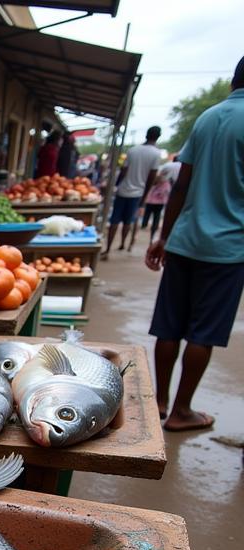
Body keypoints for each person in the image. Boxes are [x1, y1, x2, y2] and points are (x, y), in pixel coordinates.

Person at [145, 58, 244, 432]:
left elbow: (180, 186)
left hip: (185, 241)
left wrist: (164, 236)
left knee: (169, 326)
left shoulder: (207, 118)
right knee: (203, 333)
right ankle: (182, 410)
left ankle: (159, 401)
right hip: (228, 248)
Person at [103, 125, 162, 259]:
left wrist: (117, 186)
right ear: (157, 137)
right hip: (137, 193)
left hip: (123, 190)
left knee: (114, 221)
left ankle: (108, 248)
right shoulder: (156, 154)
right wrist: (144, 197)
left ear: (146, 134)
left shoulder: (133, 150)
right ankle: (123, 243)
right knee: (128, 221)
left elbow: (123, 171)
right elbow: (151, 177)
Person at [131, 154, 180, 252]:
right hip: (164, 197)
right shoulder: (181, 168)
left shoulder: (167, 166)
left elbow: (156, 179)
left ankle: (142, 230)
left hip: (154, 197)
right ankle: (153, 233)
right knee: (157, 217)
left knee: (147, 215)